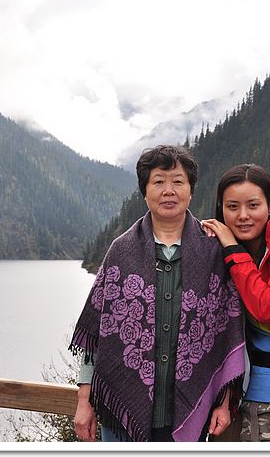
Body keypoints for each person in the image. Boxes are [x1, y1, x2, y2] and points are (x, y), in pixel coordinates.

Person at [69, 145, 245, 443]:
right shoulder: (121, 251)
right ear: (145, 191)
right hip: (122, 412)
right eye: (158, 181)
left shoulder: (213, 251)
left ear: (191, 191)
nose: (168, 191)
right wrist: (85, 400)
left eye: (178, 182)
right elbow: (97, 336)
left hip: (191, 411)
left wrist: (224, 402)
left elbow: (226, 333)